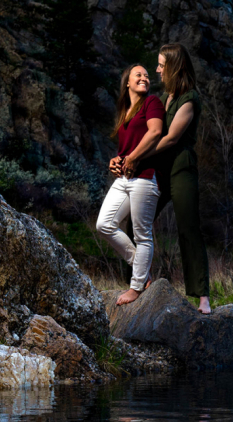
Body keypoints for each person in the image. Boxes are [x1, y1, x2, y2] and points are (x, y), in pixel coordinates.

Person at [123, 43, 211, 314]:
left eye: (162, 65)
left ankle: (203, 298)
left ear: (174, 66)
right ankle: (141, 280)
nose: (158, 70)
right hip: (159, 169)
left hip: (181, 168)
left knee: (188, 229)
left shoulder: (189, 98)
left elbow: (171, 137)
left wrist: (138, 157)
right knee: (133, 221)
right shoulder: (163, 98)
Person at [96, 64, 164, 305]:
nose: (145, 77)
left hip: (144, 177)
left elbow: (155, 132)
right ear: (127, 82)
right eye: (139, 74)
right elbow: (125, 149)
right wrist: (116, 160)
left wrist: (133, 158)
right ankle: (141, 268)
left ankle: (136, 287)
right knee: (104, 224)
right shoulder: (125, 110)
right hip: (123, 178)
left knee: (142, 235)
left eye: (147, 75)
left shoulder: (152, 103)